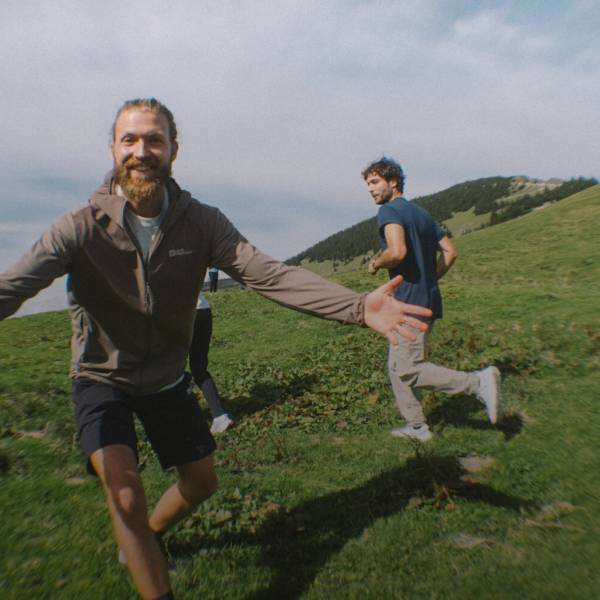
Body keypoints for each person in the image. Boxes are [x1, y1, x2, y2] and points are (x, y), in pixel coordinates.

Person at [0, 99, 432, 600]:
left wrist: (358, 308)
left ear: (173, 150)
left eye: (154, 140)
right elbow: (14, 286)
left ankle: (144, 539)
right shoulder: (80, 227)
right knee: (125, 495)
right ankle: (142, 545)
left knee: (202, 484)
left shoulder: (201, 223)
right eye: (130, 140)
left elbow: (268, 274)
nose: (142, 151)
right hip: (102, 378)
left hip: (165, 377)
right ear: (114, 150)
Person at [363, 157, 503, 443]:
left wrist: (377, 263)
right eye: (367, 184)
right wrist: (430, 279)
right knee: (396, 367)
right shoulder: (423, 215)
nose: (370, 189)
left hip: (409, 303)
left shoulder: (389, 211)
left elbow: (397, 251)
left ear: (393, 182)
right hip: (428, 299)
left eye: (375, 182)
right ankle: (416, 426)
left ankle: (477, 383)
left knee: (407, 368)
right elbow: (450, 253)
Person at [190, 292, 234, 433]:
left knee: (171, 370)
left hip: (181, 314)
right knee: (199, 367)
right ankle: (220, 416)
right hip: (203, 310)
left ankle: (183, 416)